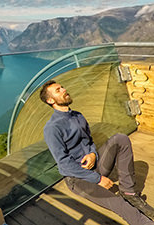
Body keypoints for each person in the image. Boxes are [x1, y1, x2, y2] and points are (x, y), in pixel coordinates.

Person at [40, 80, 154, 225]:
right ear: (51, 100)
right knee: (120, 205)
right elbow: (64, 165)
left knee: (121, 138)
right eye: (58, 90)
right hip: (78, 179)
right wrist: (97, 179)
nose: (63, 89)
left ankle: (129, 192)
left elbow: (89, 141)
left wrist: (93, 154)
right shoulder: (52, 128)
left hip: (95, 165)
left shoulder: (78, 116)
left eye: (62, 86)